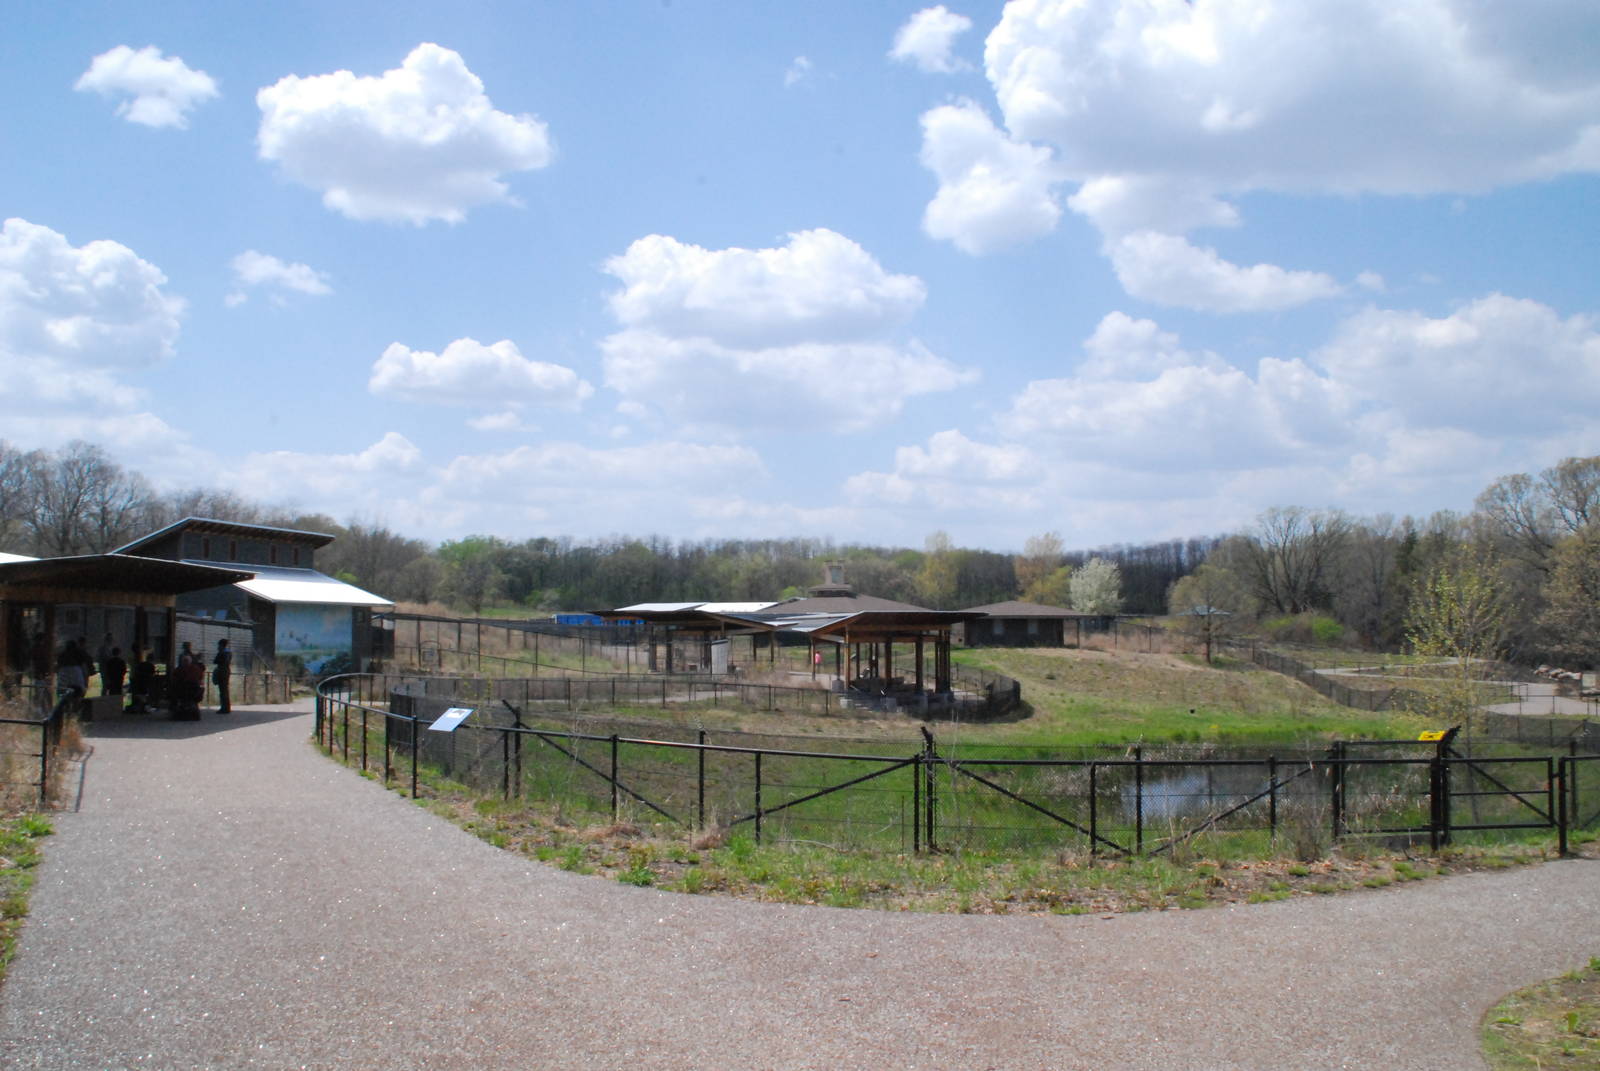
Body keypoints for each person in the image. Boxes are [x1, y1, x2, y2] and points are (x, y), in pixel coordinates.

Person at [173, 652, 204, 721]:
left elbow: (175, 678)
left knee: (178, 694)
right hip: (195, 691)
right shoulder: (197, 669)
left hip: (184, 690)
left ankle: (180, 713)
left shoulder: (179, 669)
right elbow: (201, 679)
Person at [212, 639, 233, 714]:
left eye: (219, 645)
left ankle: (224, 708)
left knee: (222, 690)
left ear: (221, 645)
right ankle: (227, 707)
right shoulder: (229, 652)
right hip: (226, 671)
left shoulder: (222, 652)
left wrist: (219, 653)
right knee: (225, 690)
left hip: (222, 671)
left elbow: (215, 661)